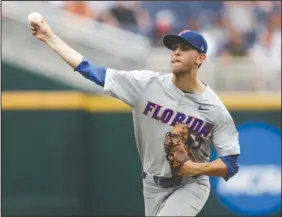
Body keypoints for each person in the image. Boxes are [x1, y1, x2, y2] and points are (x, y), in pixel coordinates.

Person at [29, 15, 240, 216]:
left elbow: (230, 164)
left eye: (184, 49)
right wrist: (50, 38)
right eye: (174, 48)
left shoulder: (214, 108)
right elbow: (90, 70)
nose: (176, 52)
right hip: (151, 185)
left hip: (192, 185)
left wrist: (194, 167)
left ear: (200, 58)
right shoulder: (145, 85)